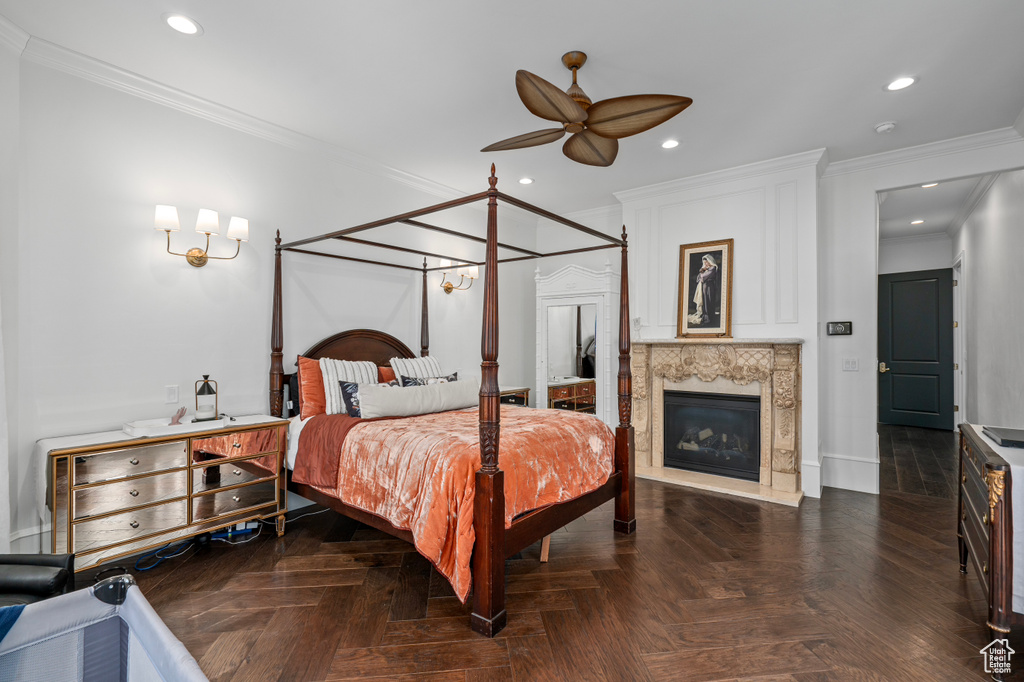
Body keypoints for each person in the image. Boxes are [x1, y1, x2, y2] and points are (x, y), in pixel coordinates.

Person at [688, 254, 719, 326]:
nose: (705, 264)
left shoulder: (713, 268)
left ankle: (709, 319)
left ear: (710, 261)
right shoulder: (707, 269)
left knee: (709, 301)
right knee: (704, 302)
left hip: (709, 287)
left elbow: (703, 277)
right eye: (704, 263)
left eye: (707, 262)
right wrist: (702, 271)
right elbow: (698, 278)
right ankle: (704, 317)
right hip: (704, 287)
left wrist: (702, 271)